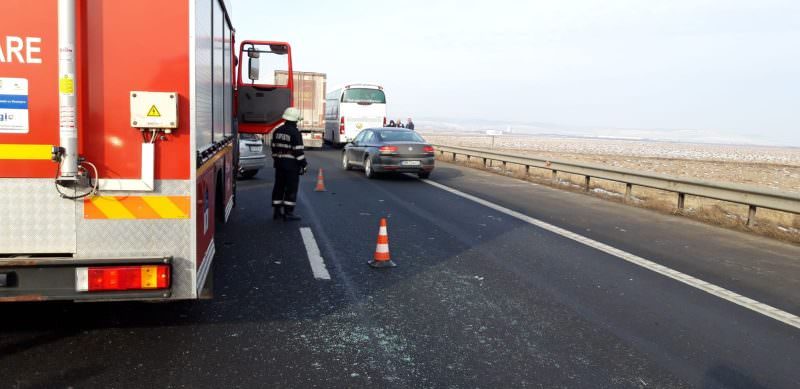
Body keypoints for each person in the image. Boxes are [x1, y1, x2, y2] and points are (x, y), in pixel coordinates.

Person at [271, 107, 308, 221]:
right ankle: (288, 213)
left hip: (279, 165)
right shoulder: (295, 133)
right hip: (291, 166)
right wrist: (303, 164)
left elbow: (273, 148)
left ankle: (277, 212)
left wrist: (278, 160)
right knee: (291, 188)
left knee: (279, 187)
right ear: (295, 120)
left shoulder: (277, 131)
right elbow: (298, 152)